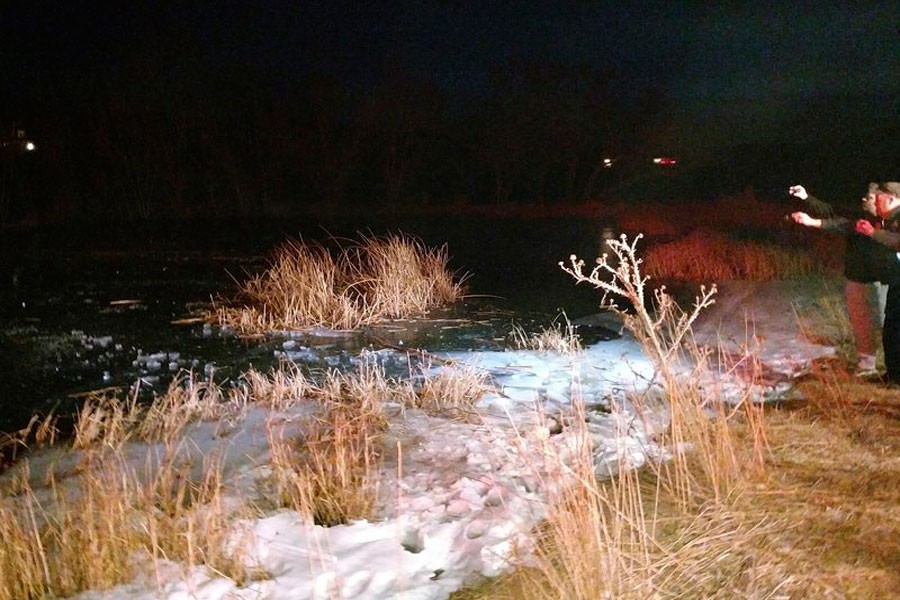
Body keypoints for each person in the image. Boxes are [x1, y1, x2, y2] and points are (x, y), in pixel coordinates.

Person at [789, 183, 890, 373]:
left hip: (881, 282)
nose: (864, 200)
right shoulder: (859, 218)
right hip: (856, 279)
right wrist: (806, 198)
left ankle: (889, 363)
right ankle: (867, 365)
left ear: (882, 199)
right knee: (861, 322)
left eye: (869, 198)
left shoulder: (890, 222)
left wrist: (813, 222)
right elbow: (832, 215)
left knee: (884, 322)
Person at [854, 182, 900, 383]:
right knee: (891, 327)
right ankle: (893, 374)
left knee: (894, 328)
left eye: (879, 199)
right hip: (895, 281)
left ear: (891, 198)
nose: (875, 203)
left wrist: (873, 233)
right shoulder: (888, 219)